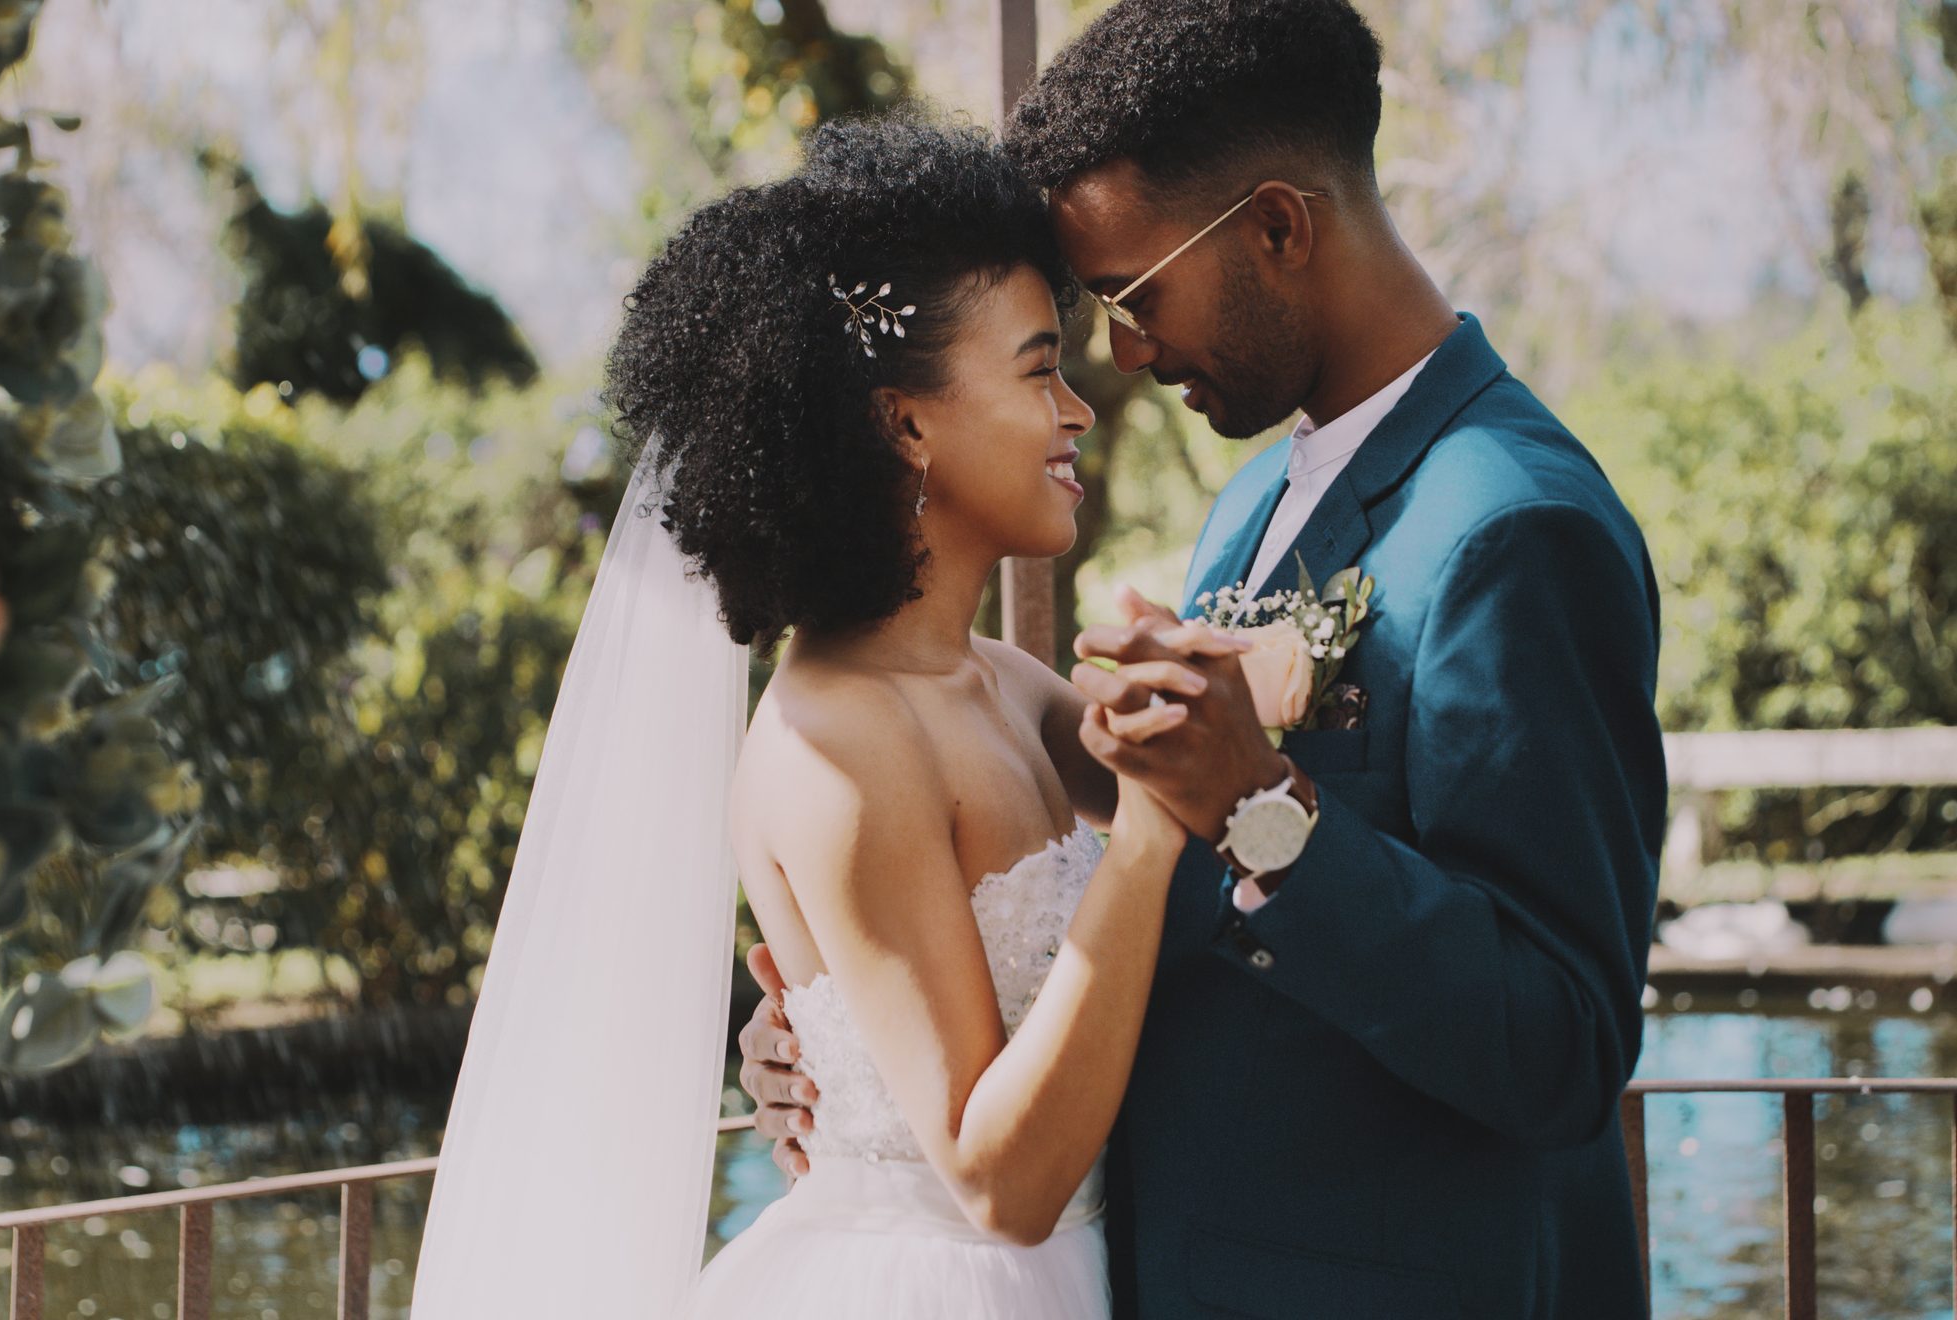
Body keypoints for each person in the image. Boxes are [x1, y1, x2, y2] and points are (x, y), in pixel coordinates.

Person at [738, 1, 1669, 1315]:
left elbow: (1565, 1045)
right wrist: (857, 1067)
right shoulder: (1246, 509)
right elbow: (1152, 922)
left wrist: (1263, 810)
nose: (1121, 353)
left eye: (1132, 294)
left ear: (1279, 227)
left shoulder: (1514, 528)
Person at [411, 109, 1250, 1318]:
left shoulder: (1005, 684)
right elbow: (998, 1180)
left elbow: (1222, 804)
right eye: (1037, 367)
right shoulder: (831, 749)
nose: (1078, 412)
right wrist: (1149, 832)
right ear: (903, 422)